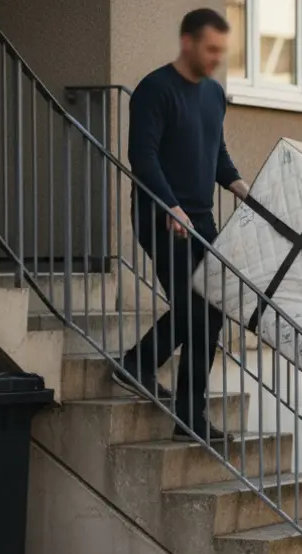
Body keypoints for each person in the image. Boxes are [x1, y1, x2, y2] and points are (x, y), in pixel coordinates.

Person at [113, 8, 249, 442]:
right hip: (161, 216)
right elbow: (143, 157)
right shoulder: (155, 90)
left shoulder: (213, 95)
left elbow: (217, 154)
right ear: (187, 42)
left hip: (202, 220)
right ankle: (160, 387)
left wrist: (242, 188)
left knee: (210, 313)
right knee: (193, 311)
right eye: (210, 49)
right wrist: (170, 206)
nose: (215, 58)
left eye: (221, 51)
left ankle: (156, 381)